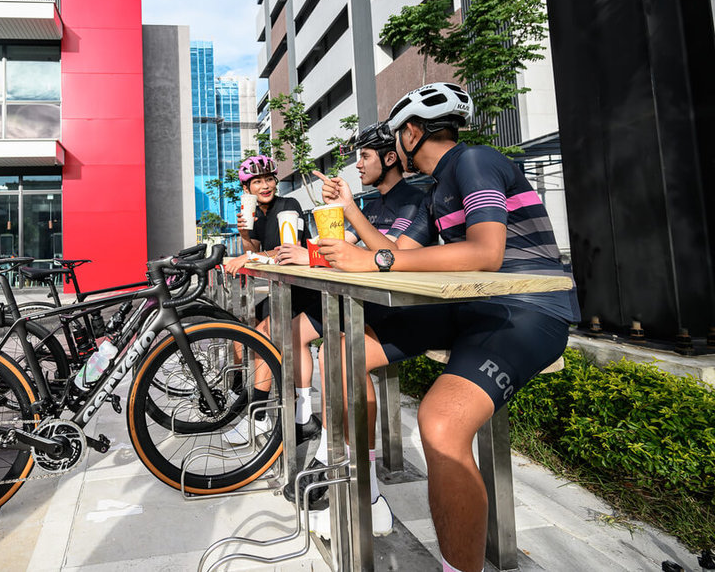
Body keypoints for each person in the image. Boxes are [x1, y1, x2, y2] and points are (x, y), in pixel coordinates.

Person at [316, 82, 579, 572]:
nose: (394, 148)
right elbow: (408, 257)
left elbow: (486, 252)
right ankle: (368, 492)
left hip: (526, 308)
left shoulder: (474, 160)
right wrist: (353, 216)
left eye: (396, 137)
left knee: (438, 425)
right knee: (344, 355)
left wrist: (372, 261)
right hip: (469, 307)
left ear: (413, 133)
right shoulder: (438, 186)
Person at [288, 122, 424, 539]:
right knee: (321, 345)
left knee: (339, 355)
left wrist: (350, 211)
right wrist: (308, 251)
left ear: (389, 158)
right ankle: (341, 461)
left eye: (364, 156)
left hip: (411, 313)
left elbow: (391, 256)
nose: (356, 165)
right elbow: (349, 254)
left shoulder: (414, 200)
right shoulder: (374, 201)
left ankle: (365, 488)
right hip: (370, 309)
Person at [222, 155, 322, 446]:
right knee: (241, 332)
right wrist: (244, 231)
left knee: (262, 337)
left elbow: (287, 251)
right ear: (247, 188)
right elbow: (253, 249)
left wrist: (248, 256)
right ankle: (243, 395)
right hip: (280, 291)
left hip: (303, 289)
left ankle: (260, 419)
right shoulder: (254, 212)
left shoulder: (288, 206)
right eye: (257, 181)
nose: (264, 185)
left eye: (268, 179)